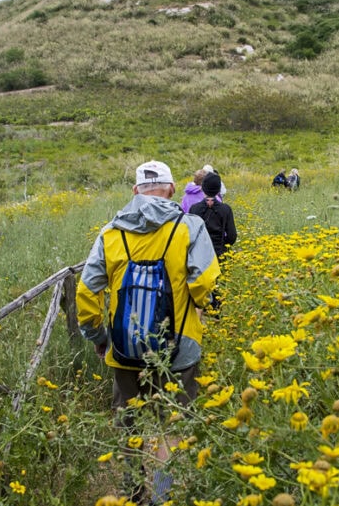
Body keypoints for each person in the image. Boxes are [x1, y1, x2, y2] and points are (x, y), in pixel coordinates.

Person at [76, 160, 220, 502]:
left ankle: (132, 494)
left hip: (125, 350)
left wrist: (99, 338)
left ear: (135, 191)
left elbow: (87, 292)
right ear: (171, 189)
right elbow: (204, 282)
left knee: (130, 429)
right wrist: (198, 308)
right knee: (173, 427)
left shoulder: (111, 233)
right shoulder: (190, 226)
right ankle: (164, 497)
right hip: (180, 349)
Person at [188, 172, 237, 260]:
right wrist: (223, 246)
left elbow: (190, 234)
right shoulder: (226, 209)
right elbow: (232, 236)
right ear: (218, 190)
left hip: (199, 255)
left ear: (202, 188)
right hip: (219, 254)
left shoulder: (194, 209)